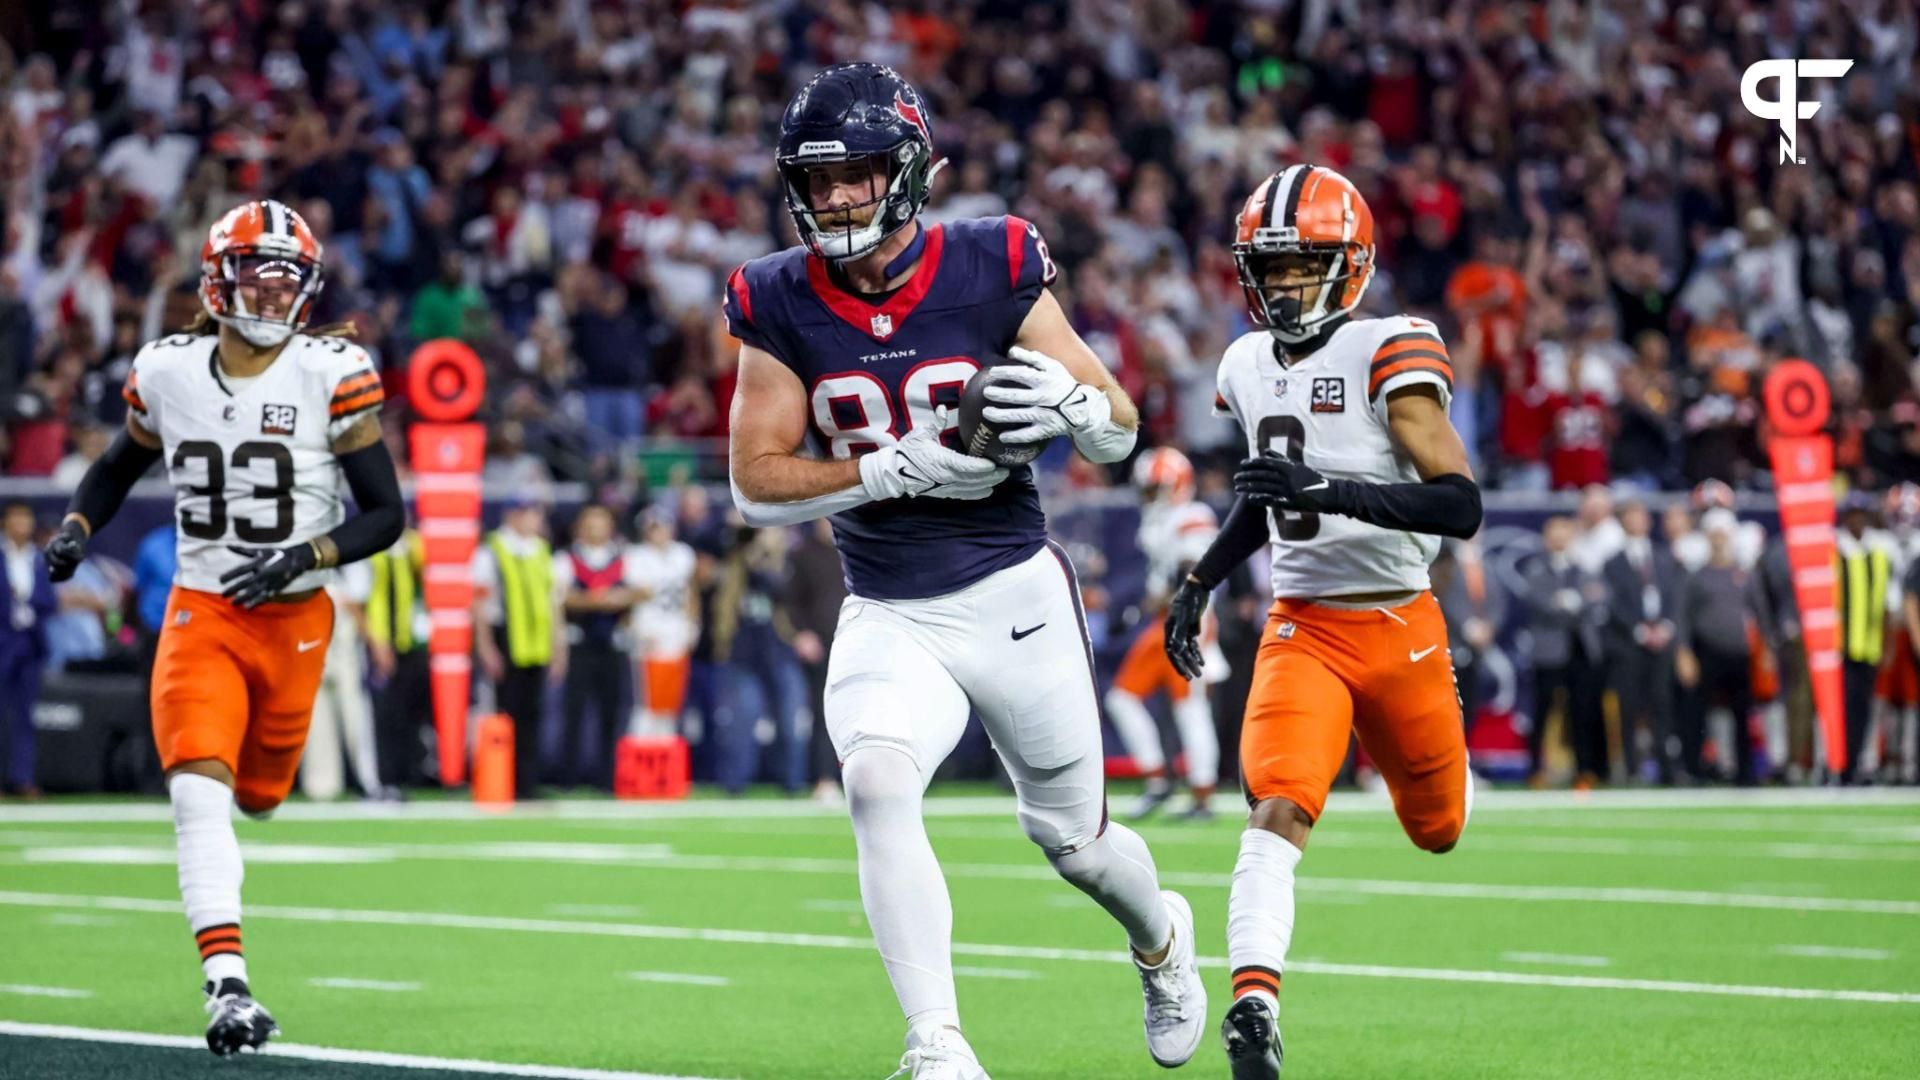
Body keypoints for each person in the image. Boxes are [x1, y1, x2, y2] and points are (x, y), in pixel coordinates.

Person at [724, 63, 1203, 1079]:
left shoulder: (993, 260)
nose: (838, 197)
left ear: (905, 172)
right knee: (876, 782)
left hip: (1012, 592)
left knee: (1075, 845)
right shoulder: (775, 296)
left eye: (857, 174)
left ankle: (1162, 943)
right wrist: (890, 466)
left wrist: (1078, 415)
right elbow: (754, 484)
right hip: (889, 606)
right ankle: (937, 1046)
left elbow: (1119, 426)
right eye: (819, 180)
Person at [41, 199, 405, 1055]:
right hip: (203, 612)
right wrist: (77, 528)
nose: (274, 297)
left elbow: (386, 514)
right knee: (197, 798)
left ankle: (239, 901)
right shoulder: (166, 369)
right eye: (258, 276)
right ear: (218, 279)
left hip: (296, 620)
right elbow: (115, 464)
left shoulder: (331, 370)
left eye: (289, 282)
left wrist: (306, 555)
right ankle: (228, 988)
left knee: (262, 794)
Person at [1164, 164, 1482, 1079]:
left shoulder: (1390, 348)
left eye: (1304, 264)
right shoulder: (1244, 362)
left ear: (1350, 264)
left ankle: (1256, 994)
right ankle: (1253, 1003)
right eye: (1272, 267)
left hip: (1403, 625)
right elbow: (1267, 495)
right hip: (1303, 623)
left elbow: (1459, 506)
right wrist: (1203, 579)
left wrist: (1330, 490)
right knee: (1276, 805)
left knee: (1438, 827)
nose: (1285, 284)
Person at [1104, 447, 1224, 820]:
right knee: (1122, 698)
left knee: (1191, 709)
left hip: (1192, 623)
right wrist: (1137, 610)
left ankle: (1202, 796)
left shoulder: (1194, 516)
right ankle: (1158, 781)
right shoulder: (1159, 521)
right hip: (1162, 624)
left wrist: (1154, 603)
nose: (1148, 496)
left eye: (1154, 488)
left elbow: (1191, 572)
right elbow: (1164, 581)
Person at [472, 494, 568, 799]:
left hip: (537, 643)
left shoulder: (540, 550)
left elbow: (552, 603)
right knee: (506, 715)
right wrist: (486, 646)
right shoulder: (492, 551)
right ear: (513, 516)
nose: (537, 521)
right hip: (507, 640)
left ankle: (528, 782)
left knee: (532, 716)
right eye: (531, 514)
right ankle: (504, 780)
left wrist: (558, 647)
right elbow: (480, 603)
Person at [1673, 509, 1766, 784]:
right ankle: (1695, 768)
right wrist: (1684, 652)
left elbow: (1761, 613)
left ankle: (1745, 771)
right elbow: (1682, 617)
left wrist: (1768, 650)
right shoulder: (1696, 575)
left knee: (1742, 714)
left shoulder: (1743, 574)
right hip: (1706, 651)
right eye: (1714, 534)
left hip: (1739, 652)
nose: (1718, 539)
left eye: (1722, 533)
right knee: (1697, 713)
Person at [1524, 517, 1610, 787]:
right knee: (1543, 711)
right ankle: (1536, 769)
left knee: (1582, 712)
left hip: (1580, 650)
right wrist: (1565, 604)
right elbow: (1537, 602)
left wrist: (1573, 603)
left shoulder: (1582, 569)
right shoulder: (1536, 568)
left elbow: (1599, 596)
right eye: (1554, 532)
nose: (1560, 537)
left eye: (1564, 532)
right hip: (1549, 652)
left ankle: (1584, 769)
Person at [556, 504, 638, 789]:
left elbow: (639, 592)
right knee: (574, 712)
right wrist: (601, 600)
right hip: (580, 641)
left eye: (601, 522)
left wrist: (601, 598)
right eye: (590, 522)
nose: (595, 528)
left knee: (611, 712)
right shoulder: (567, 558)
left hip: (613, 644)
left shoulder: (623, 557)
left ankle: (607, 777)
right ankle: (568, 776)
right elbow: (564, 598)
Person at [1602, 500, 1682, 783]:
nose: (1638, 520)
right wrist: (1639, 629)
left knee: (1662, 704)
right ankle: (1631, 768)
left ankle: (1667, 767)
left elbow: (1674, 596)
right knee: (1629, 705)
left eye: (1641, 515)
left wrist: (1666, 627)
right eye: (1632, 516)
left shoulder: (1663, 557)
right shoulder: (1612, 562)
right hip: (1629, 644)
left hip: (1661, 641)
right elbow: (1613, 603)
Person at [624, 507, 698, 737]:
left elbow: (690, 592)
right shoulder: (635, 556)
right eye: (654, 527)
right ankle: (643, 754)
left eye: (664, 526)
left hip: (676, 631)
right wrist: (636, 629)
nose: (660, 532)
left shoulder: (683, 554)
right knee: (646, 703)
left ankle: (665, 754)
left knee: (671, 703)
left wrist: (693, 624)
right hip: (649, 632)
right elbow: (631, 597)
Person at [0, 502, 56, 798]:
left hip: (29, 643)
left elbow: (50, 599)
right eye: (15, 517)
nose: (21, 523)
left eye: (26, 517)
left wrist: (29, 605)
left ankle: (22, 778)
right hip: (3, 639)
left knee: (25, 716)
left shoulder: (39, 558)